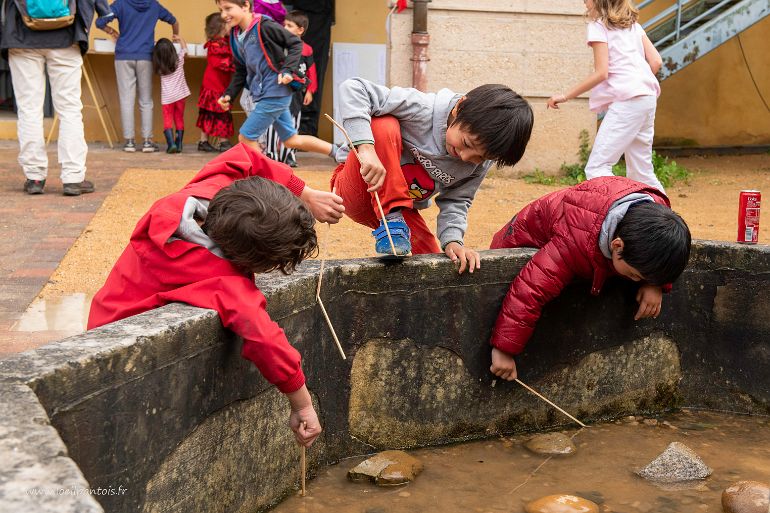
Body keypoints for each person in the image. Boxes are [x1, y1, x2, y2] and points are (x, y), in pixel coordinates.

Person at [87, 143, 345, 446]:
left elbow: (245, 157)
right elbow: (266, 340)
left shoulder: (206, 193)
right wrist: (302, 405)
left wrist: (305, 193)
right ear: (252, 262)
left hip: (101, 319)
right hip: (121, 359)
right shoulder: (224, 282)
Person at [487, 176, 691, 381]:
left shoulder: (659, 219)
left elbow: (664, 257)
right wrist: (504, 349)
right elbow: (529, 290)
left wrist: (655, 284)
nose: (635, 281)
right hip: (519, 241)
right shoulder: (571, 242)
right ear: (617, 246)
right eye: (634, 276)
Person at [333, 77, 534, 271]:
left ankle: (395, 227)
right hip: (356, 185)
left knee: (431, 263)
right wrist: (366, 148)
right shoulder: (420, 108)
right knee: (383, 122)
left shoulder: (479, 161)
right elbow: (354, 87)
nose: (465, 157)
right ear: (459, 108)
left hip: (401, 219)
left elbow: (458, 199)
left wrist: (453, 240)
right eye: (466, 144)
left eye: (480, 157)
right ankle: (391, 218)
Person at [547, 0, 664, 191]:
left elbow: (602, 72)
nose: (584, 1)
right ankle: (665, 219)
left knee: (597, 167)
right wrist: (637, 82)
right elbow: (656, 61)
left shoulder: (598, 26)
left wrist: (565, 96)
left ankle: (617, 212)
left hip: (628, 100)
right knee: (642, 172)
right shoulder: (634, 26)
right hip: (647, 97)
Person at [1, 0, 112, 196]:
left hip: (20, 34)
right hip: (66, 35)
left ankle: (35, 176)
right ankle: (73, 178)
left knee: (29, 109)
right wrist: (97, 15)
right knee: (70, 109)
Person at [216, 0, 337, 159]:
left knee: (246, 137)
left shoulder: (264, 25)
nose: (223, 15)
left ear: (245, 5)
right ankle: (342, 152)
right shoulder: (235, 35)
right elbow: (241, 70)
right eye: (221, 10)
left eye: (228, 8)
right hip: (266, 93)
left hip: (275, 93)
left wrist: (287, 70)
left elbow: (295, 43)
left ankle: (269, 178)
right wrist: (229, 94)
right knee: (291, 140)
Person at [96, 0, 179, 153]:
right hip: (146, 57)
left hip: (123, 56)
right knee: (146, 100)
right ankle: (147, 142)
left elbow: (100, 21)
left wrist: (111, 31)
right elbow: (173, 20)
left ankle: (129, 142)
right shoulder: (154, 5)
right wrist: (175, 36)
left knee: (126, 99)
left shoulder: (120, 4)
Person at [263, 10, 317, 167]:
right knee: (272, 122)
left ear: (300, 30)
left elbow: (311, 71)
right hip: (277, 90)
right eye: (284, 24)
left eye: (289, 25)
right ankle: (271, 154)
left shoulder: (307, 49)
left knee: (293, 123)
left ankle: (289, 155)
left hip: (296, 93)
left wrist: (310, 90)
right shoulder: (279, 46)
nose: (284, 27)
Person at [196, 13, 235, 153]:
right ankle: (223, 142)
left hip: (216, 84)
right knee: (220, 113)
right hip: (215, 86)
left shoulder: (224, 41)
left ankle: (203, 140)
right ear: (221, 27)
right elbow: (220, 63)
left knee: (209, 113)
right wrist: (236, 64)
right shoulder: (216, 44)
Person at [152, 36, 190, 153]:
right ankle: (179, 144)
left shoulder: (159, 67)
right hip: (180, 96)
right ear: (173, 50)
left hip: (167, 99)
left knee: (167, 119)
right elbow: (185, 49)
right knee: (179, 118)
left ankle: (171, 144)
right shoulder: (179, 60)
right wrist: (180, 39)